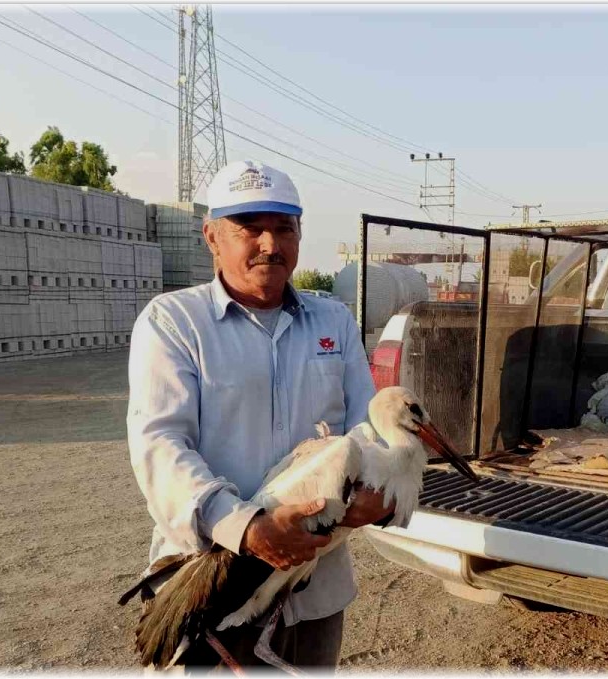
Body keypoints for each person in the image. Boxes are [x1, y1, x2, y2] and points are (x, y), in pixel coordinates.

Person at [126, 160, 391, 670]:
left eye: (284, 228)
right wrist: (247, 527)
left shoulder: (333, 321)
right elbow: (160, 445)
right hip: (213, 585)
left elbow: (367, 428)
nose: (270, 244)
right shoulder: (176, 322)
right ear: (212, 236)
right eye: (250, 228)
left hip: (313, 592)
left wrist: (374, 491)